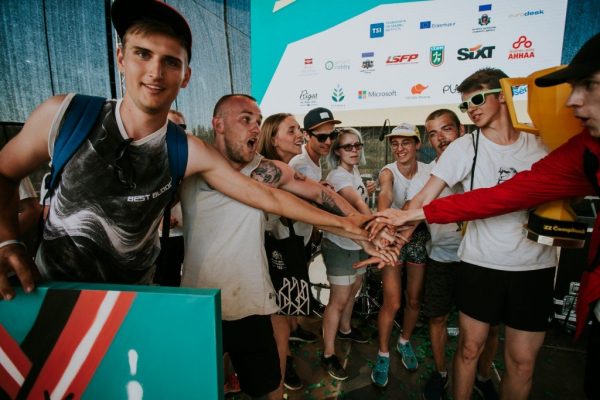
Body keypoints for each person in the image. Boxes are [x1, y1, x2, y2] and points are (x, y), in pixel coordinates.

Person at [0, 0, 367, 301]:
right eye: (143, 54)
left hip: (129, 308)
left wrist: (349, 225)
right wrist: (7, 240)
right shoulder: (67, 115)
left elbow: (267, 196)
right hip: (47, 296)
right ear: (121, 58)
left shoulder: (187, 151)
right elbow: (4, 173)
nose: (155, 71)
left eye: (170, 61)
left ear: (186, 75)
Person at [375, 32, 600, 400]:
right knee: (468, 348)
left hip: (535, 269)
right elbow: (426, 197)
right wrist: (396, 235)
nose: (472, 108)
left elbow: (536, 194)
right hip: (481, 264)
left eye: (478, 99)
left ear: (503, 95)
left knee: (522, 363)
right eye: (466, 105)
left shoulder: (544, 144)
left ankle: (484, 380)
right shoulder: (464, 148)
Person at [180, 94, 395, 399]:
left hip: (251, 304)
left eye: (258, 121)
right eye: (245, 120)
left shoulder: (266, 168)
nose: (255, 128)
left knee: (269, 388)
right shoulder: (194, 163)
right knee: (198, 387)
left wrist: (364, 229)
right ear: (218, 124)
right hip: (200, 303)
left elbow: (320, 194)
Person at [415, 109, 498, 400]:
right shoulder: (426, 176)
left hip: (480, 260)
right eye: (433, 134)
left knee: (490, 327)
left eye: (446, 129)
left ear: (462, 131)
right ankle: (441, 373)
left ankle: (482, 376)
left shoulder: (484, 167)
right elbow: (412, 209)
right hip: (441, 259)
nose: (440, 138)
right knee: (437, 319)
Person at [370, 123, 431, 387]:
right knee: (392, 302)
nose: (399, 148)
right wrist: (384, 218)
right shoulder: (388, 170)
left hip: (417, 235)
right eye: (394, 143)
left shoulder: (429, 171)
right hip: (391, 235)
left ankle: (404, 341)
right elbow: (385, 191)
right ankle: (383, 353)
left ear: (418, 144)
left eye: (405, 142)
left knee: (414, 299)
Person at [320, 127, 372, 381]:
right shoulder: (338, 176)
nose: (354, 150)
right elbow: (358, 206)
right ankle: (328, 353)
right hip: (340, 245)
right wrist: (381, 227)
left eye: (357, 145)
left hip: (358, 243)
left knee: (353, 291)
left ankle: (345, 329)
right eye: (347, 147)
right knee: (338, 300)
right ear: (337, 152)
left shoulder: (354, 172)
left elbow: (360, 198)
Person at [153, 109, 187, 287]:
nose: (178, 131)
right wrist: (158, 219)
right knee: (166, 283)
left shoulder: (190, 156)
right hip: (161, 239)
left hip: (187, 236)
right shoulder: (150, 157)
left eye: (182, 127)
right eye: (172, 126)